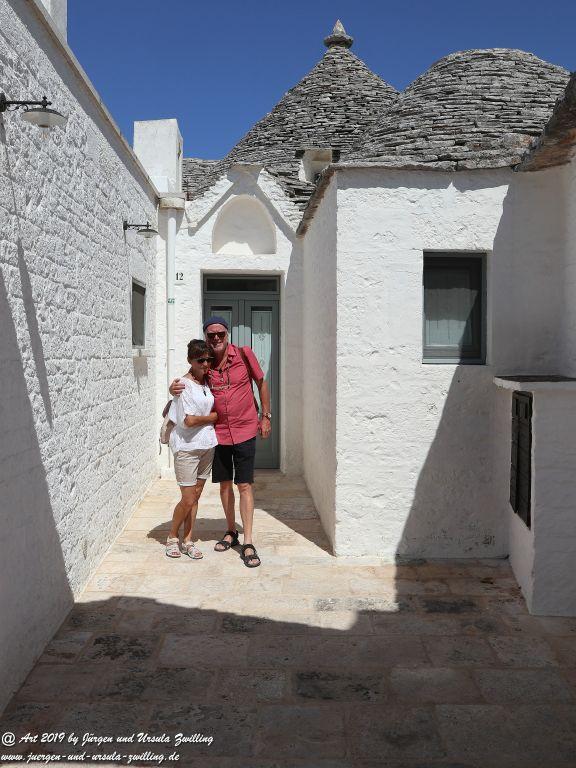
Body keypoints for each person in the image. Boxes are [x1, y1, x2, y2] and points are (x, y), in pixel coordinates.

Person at [170, 316, 271, 567]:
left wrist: (265, 416)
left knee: (244, 485)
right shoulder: (207, 363)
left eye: (220, 334)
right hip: (220, 434)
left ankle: (248, 541)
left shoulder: (244, 355)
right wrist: (173, 389)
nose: (216, 338)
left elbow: (261, 382)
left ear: (228, 335)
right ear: (206, 337)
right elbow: (189, 380)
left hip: (245, 428)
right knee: (225, 485)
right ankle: (231, 531)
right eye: (211, 334)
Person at [165, 339, 218, 560]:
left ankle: (188, 540)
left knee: (195, 497)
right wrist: (213, 417)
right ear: (190, 361)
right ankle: (171, 537)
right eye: (200, 360)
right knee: (187, 498)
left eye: (208, 359)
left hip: (207, 446)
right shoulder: (182, 385)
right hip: (187, 447)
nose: (206, 363)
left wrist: (204, 421)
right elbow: (187, 421)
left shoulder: (207, 383)